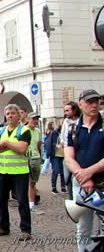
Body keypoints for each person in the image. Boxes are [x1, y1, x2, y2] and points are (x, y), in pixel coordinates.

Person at [65, 89, 104, 252]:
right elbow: (68, 158)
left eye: (96, 101)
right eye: (89, 102)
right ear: (80, 104)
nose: (94, 105)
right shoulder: (73, 129)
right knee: (83, 228)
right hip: (81, 186)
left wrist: (88, 172)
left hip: (102, 186)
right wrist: (84, 178)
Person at [0, 104, 32, 241]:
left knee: (22, 201)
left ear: (19, 115)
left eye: (13, 113)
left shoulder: (24, 130)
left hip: (20, 172)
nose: (10, 115)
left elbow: (21, 148)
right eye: (7, 113)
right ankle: (4, 227)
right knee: (1, 200)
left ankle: (25, 229)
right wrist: (10, 145)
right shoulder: (0, 130)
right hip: (2, 172)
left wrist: (6, 143)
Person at [61, 101, 81, 199]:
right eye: (65, 111)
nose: (66, 113)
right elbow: (63, 134)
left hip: (78, 151)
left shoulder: (81, 120)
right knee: (66, 177)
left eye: (67, 110)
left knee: (76, 176)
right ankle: (71, 197)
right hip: (67, 151)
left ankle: (78, 197)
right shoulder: (66, 121)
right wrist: (62, 144)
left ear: (74, 110)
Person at [26, 112, 44, 214]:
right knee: (28, 182)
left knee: (33, 182)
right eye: (33, 119)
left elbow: (38, 145)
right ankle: (29, 204)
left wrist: (39, 156)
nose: (35, 121)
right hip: (27, 158)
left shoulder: (37, 131)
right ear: (28, 119)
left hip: (36, 157)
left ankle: (31, 204)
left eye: (36, 119)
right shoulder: (24, 130)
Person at [46, 121, 66, 194]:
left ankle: (63, 187)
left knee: (63, 172)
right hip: (55, 155)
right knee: (56, 170)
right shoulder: (54, 132)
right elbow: (51, 142)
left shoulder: (64, 132)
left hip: (63, 154)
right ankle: (54, 188)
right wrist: (56, 145)